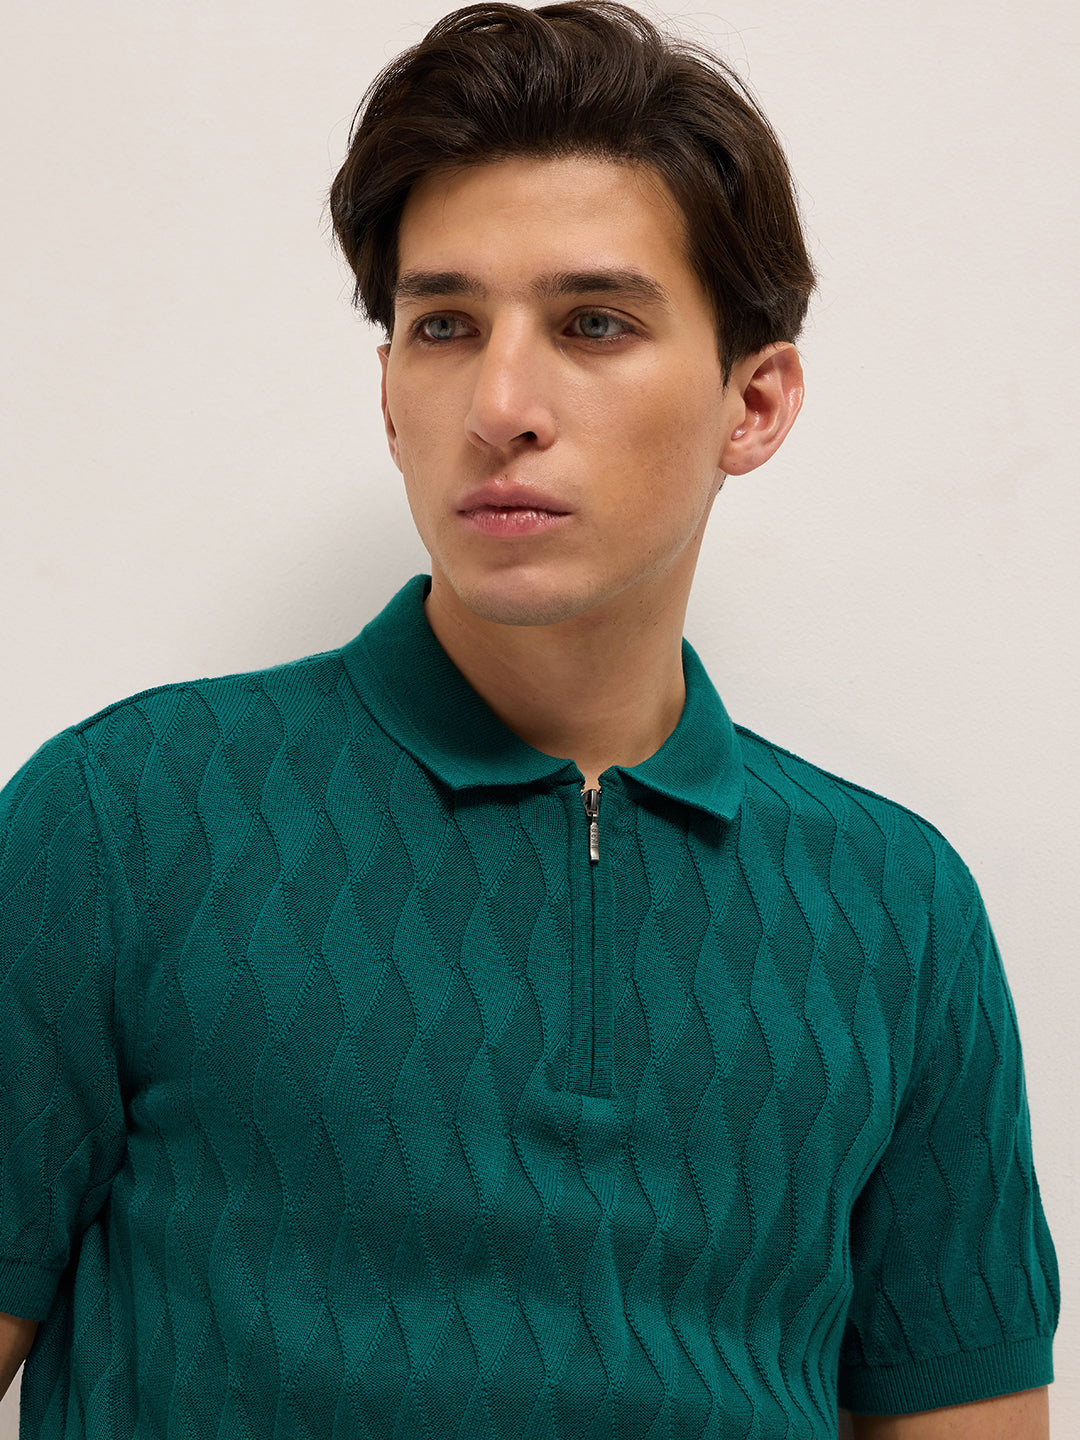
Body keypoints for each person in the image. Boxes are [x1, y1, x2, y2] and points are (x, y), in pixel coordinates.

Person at [0, 1, 1058, 1435]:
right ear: (390, 394)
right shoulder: (118, 822)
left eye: (593, 323)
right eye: (443, 325)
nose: (499, 403)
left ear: (755, 402)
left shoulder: (900, 908)